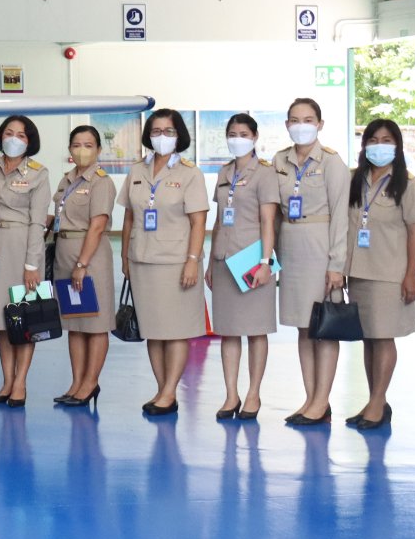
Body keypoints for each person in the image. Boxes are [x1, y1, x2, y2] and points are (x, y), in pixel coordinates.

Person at [121, 107, 209, 417]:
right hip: (142, 259)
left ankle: (170, 391)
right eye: (156, 131)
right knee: (153, 329)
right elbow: (129, 217)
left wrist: (192, 261)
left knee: (175, 330)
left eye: (168, 131)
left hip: (176, 262)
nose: (162, 136)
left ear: (179, 135)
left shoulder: (190, 173)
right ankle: (163, 390)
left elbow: (198, 222)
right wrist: (125, 256)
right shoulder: (137, 170)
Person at [272, 98, 350, 425]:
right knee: (304, 327)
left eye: (307, 119)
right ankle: (310, 400)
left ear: (320, 124)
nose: (300, 125)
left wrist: (337, 264)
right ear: (287, 124)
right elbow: (273, 212)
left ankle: (322, 401)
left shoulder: (331, 162)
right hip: (291, 248)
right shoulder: (279, 160)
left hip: (321, 248)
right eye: (294, 119)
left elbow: (342, 215)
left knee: (324, 326)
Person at [346, 120, 415, 428]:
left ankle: (378, 403)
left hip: (389, 272)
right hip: (358, 272)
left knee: (382, 337)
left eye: (387, 140)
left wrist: (411, 275)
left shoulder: (407, 183)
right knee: (368, 338)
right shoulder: (355, 179)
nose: (379, 145)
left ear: (397, 146)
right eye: (373, 139)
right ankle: (374, 401)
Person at [209, 114, 281, 420]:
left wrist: (265, 262)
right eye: (232, 133)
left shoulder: (265, 173)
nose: (237, 139)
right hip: (224, 260)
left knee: (255, 330)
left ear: (254, 137)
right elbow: (218, 219)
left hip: (252, 261)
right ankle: (231, 395)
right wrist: (210, 262)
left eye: (243, 134)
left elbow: (268, 221)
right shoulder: (224, 172)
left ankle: (253, 394)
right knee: (228, 331)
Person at [0, 115, 51, 407]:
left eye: (21, 135)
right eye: (9, 133)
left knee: (25, 320)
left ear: (30, 141)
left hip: (23, 247)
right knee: (3, 320)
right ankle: (7, 381)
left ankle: (21, 382)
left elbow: (38, 222)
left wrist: (32, 264)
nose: (14, 139)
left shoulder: (38, 173)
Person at [49, 125, 116, 409]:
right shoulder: (66, 180)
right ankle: (76, 383)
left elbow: (98, 225)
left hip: (89, 257)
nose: (82, 150)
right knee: (75, 324)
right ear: (69, 149)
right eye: (76, 145)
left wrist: (82, 263)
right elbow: (58, 218)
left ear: (99, 149)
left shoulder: (101, 182)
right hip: (64, 254)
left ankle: (91, 382)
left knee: (95, 324)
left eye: (88, 145)